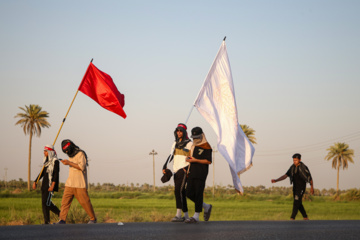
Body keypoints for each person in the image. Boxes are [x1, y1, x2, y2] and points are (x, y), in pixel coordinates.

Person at [54, 139, 96, 224]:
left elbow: (82, 167)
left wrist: (69, 163)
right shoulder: (71, 155)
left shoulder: (81, 153)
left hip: (79, 184)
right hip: (70, 183)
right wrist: (67, 162)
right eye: (65, 151)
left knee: (85, 203)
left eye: (67, 150)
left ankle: (93, 219)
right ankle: (62, 220)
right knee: (64, 203)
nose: (67, 152)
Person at [163, 123, 192, 222]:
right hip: (175, 170)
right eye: (177, 131)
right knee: (182, 192)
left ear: (184, 132)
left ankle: (178, 214)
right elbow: (171, 155)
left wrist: (188, 168)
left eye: (181, 131)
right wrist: (165, 165)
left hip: (183, 169)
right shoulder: (174, 143)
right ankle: (186, 215)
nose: (179, 133)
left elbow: (191, 157)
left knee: (177, 191)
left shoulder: (189, 143)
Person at [271, 153, 314, 220]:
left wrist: (312, 187)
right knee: (298, 202)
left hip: (301, 187)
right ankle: (305, 217)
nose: (294, 162)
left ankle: (292, 217)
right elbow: (285, 175)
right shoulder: (292, 167)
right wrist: (276, 180)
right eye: (293, 160)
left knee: (296, 202)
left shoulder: (304, 167)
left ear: (300, 160)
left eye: (296, 160)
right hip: (295, 187)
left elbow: (310, 178)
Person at [185, 127, 213, 223]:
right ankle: (206, 206)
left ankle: (196, 216)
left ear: (202, 135)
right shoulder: (193, 146)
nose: (195, 139)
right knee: (188, 193)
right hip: (191, 172)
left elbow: (208, 161)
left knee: (198, 194)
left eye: (197, 137)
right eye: (194, 137)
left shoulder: (207, 146)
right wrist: (188, 160)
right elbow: (191, 157)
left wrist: (195, 160)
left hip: (201, 173)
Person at [33, 145, 61, 224]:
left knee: (47, 202)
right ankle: (47, 221)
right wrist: (36, 181)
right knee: (44, 202)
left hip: (50, 184)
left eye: (45, 151)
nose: (44, 153)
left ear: (49, 152)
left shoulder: (55, 161)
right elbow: (42, 173)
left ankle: (60, 214)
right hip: (44, 184)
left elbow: (56, 174)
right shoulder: (46, 161)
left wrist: (52, 185)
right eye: (44, 151)